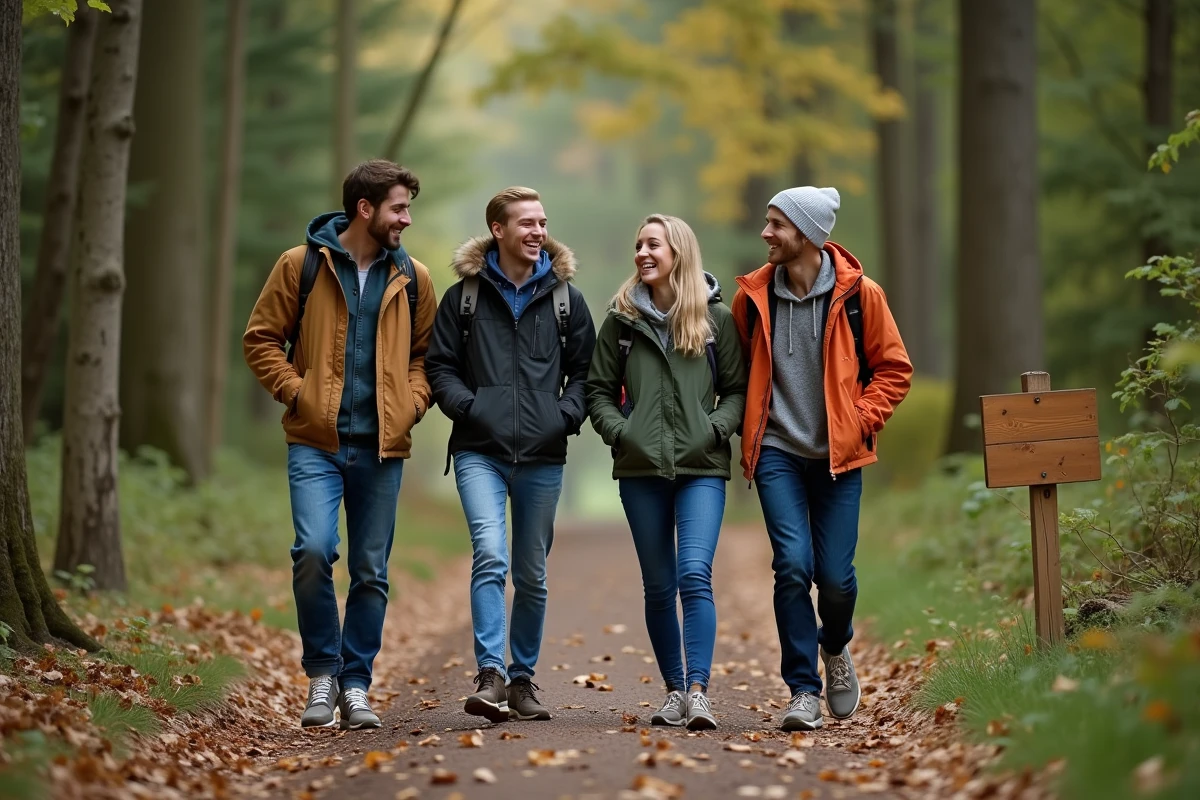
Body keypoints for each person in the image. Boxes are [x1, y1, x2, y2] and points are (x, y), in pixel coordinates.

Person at [243, 160, 437, 730]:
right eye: (399, 208)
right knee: (313, 551)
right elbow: (261, 339)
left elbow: (427, 357)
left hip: (382, 447)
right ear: (365, 209)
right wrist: (295, 392)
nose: (406, 219)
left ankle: (356, 686)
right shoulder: (300, 265)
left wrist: (412, 403)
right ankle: (323, 674)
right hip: (315, 442)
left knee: (371, 570)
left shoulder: (415, 277)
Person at [731, 187, 912, 731]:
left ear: (808, 235)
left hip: (839, 457)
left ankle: (834, 646)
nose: (766, 234)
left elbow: (894, 369)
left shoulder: (862, 296)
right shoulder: (752, 300)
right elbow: (739, 372)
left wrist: (857, 421)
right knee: (791, 567)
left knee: (835, 580)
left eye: (776, 225)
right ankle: (802, 690)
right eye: (767, 223)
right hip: (778, 454)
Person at [426, 187, 596, 723]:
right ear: (497, 230)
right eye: (525, 222)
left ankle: (522, 681)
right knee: (491, 554)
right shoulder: (465, 298)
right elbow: (439, 367)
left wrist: (562, 417)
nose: (537, 231)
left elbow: (588, 375)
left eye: (542, 222)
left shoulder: (567, 299)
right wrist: (472, 409)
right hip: (480, 449)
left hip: (543, 456)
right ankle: (491, 674)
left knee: (532, 572)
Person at [586, 214, 747, 730]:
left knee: (693, 574)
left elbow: (738, 392)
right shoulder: (621, 320)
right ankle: (674, 690)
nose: (642, 253)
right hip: (641, 471)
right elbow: (597, 391)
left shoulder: (716, 320)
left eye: (652, 244)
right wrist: (621, 432)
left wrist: (716, 430)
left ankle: (699, 691)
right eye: (638, 245)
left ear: (678, 252)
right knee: (658, 586)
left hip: (702, 467)